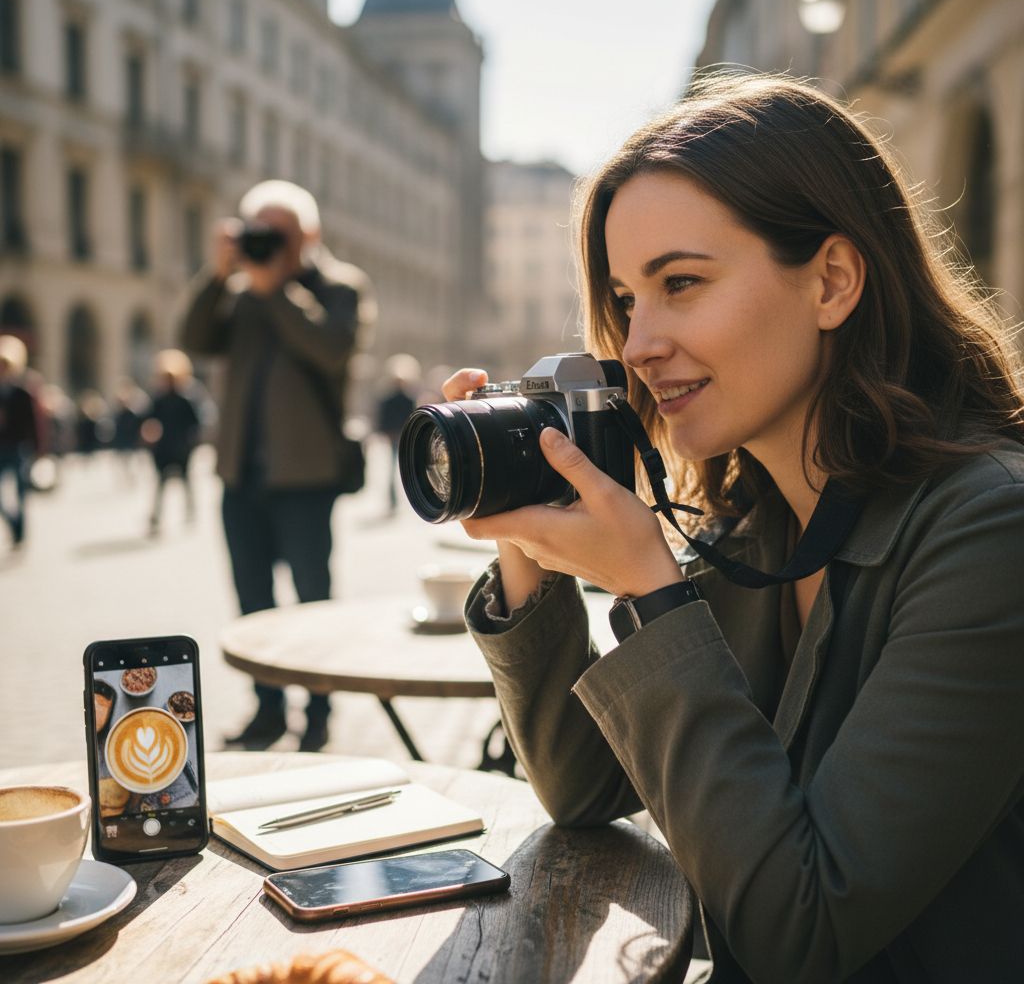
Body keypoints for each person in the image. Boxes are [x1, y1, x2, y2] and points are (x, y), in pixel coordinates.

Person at [446, 74, 1024, 982]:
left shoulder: (992, 529)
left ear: (831, 281)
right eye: (628, 300)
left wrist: (649, 589)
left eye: (681, 283)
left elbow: (801, 931)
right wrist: (530, 546)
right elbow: (586, 788)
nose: (636, 345)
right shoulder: (754, 518)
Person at [183, 180, 375, 752]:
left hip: (306, 478)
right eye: (255, 233)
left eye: (278, 234)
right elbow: (194, 338)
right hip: (241, 475)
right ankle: (267, 710)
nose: (266, 245)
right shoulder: (239, 291)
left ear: (308, 236)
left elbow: (331, 348)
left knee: (313, 599)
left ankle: (318, 711)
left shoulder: (340, 286)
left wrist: (274, 291)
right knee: (252, 602)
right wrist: (218, 275)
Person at [142, 350, 200, 533]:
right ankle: (156, 516)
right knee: (160, 483)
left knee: (186, 481)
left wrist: (189, 442)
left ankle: (190, 511)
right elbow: (149, 418)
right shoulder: (159, 399)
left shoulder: (186, 399)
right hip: (164, 447)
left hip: (181, 447)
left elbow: (195, 422)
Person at [0, 335, 39, 548]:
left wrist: (39, 449)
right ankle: (13, 524)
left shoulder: (22, 391)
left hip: (18, 447)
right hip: (1, 447)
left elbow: (33, 422)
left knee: (20, 492)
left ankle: (21, 530)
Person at [376, 353, 421, 514]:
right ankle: (393, 499)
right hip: (396, 436)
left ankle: (404, 499)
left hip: (402, 436)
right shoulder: (390, 398)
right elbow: (383, 417)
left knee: (400, 469)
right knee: (393, 469)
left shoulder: (408, 398)